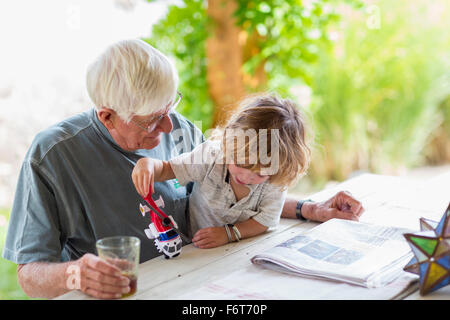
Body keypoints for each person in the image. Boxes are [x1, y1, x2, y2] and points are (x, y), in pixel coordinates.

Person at [2, 39, 364, 300]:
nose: (168, 127)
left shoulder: (180, 130)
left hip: (200, 282)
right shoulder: (52, 156)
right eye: (152, 120)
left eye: (170, 108)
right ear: (107, 116)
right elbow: (29, 276)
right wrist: (75, 274)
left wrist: (309, 209)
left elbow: (237, 188)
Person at [132, 94, 312, 248]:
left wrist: (229, 234)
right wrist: (148, 165)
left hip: (238, 251)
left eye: (260, 173)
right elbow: (168, 169)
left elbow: (265, 221)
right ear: (230, 143)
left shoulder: (275, 182)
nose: (246, 177)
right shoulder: (211, 156)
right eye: (240, 163)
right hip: (193, 249)